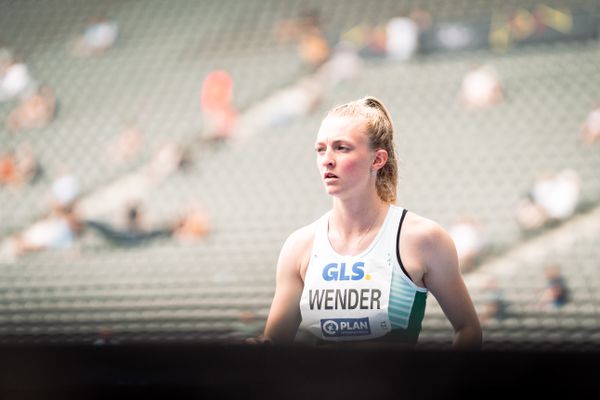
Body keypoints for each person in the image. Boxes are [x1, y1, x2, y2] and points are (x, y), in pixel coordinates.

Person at [256, 96, 482, 349]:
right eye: (321, 149)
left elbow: (468, 329)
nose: (327, 160)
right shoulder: (300, 246)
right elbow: (274, 343)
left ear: (378, 160)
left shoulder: (423, 239)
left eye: (342, 148)